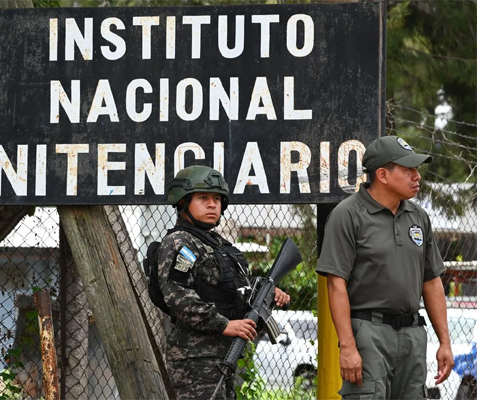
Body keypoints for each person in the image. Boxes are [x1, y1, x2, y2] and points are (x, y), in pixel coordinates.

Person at [316, 135, 453, 399]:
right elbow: (336, 284)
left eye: (417, 169)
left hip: (413, 334)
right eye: (408, 169)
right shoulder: (347, 215)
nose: (417, 176)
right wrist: (347, 347)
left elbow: (431, 281)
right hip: (368, 333)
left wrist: (444, 342)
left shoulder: (418, 216)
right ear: (382, 174)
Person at [157, 165, 290, 400]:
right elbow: (178, 296)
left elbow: (235, 289)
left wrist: (268, 293)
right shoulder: (182, 243)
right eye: (203, 198)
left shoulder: (219, 246)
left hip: (224, 354)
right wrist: (224, 325)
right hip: (196, 360)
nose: (212, 204)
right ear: (183, 202)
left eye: (217, 198)